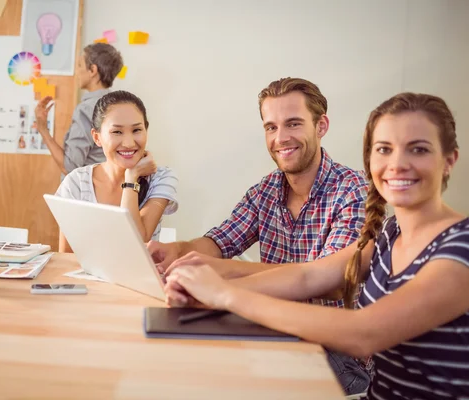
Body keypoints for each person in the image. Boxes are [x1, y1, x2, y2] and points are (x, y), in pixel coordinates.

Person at [165, 92, 469, 399]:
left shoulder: (461, 246)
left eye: (418, 149)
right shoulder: (391, 233)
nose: (398, 164)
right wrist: (201, 290)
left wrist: (224, 294)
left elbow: (363, 332)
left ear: (449, 160)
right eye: (384, 149)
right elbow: (307, 276)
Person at [148, 77, 371, 395]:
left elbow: (331, 281)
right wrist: (178, 250)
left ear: (321, 126)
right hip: (273, 329)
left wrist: (219, 285)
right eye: (271, 127)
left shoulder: (352, 190)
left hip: (334, 352)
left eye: (293, 124)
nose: (281, 138)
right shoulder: (265, 190)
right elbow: (221, 241)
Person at [55, 90, 178, 250]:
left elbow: (138, 239)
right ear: (97, 137)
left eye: (136, 130)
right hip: (85, 275)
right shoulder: (76, 183)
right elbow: (66, 257)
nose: (128, 143)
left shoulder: (162, 179)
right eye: (117, 132)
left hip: (140, 275)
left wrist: (131, 178)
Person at [34, 43, 123, 176]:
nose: (77, 71)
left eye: (80, 65)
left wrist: (43, 130)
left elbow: (69, 167)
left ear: (93, 70)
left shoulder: (87, 109)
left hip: (84, 192)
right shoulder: (119, 105)